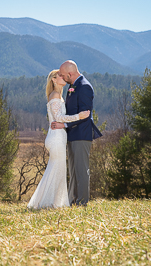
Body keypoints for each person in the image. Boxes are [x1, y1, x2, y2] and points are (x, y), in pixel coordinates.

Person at [27, 69, 90, 209]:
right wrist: (79, 116)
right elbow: (59, 118)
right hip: (56, 137)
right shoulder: (55, 96)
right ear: (53, 80)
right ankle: (45, 203)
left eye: (62, 75)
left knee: (57, 170)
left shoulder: (59, 96)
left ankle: (53, 202)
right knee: (56, 170)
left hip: (59, 136)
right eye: (59, 76)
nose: (62, 77)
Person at [52, 60, 102, 206]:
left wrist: (65, 124)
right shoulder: (72, 87)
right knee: (73, 171)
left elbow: (84, 114)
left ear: (70, 73)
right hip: (72, 134)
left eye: (62, 74)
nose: (61, 76)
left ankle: (82, 202)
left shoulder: (85, 87)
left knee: (81, 170)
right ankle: (73, 200)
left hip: (81, 134)